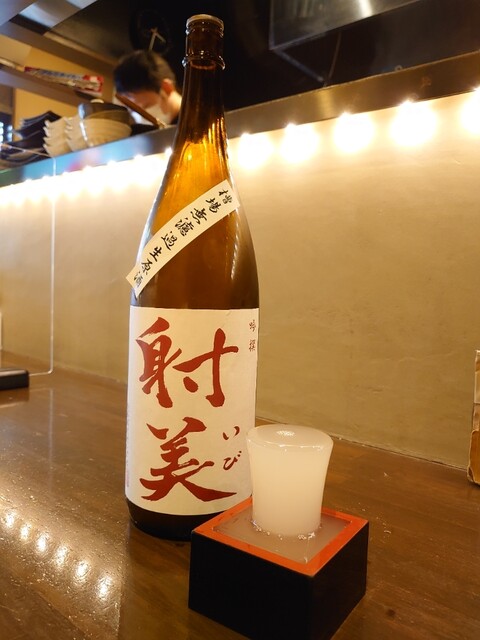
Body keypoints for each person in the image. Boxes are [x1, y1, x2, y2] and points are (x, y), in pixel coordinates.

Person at [113, 50, 182, 125]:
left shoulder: (189, 122)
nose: (141, 117)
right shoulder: (169, 128)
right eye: (134, 111)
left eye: (146, 106)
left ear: (166, 87)